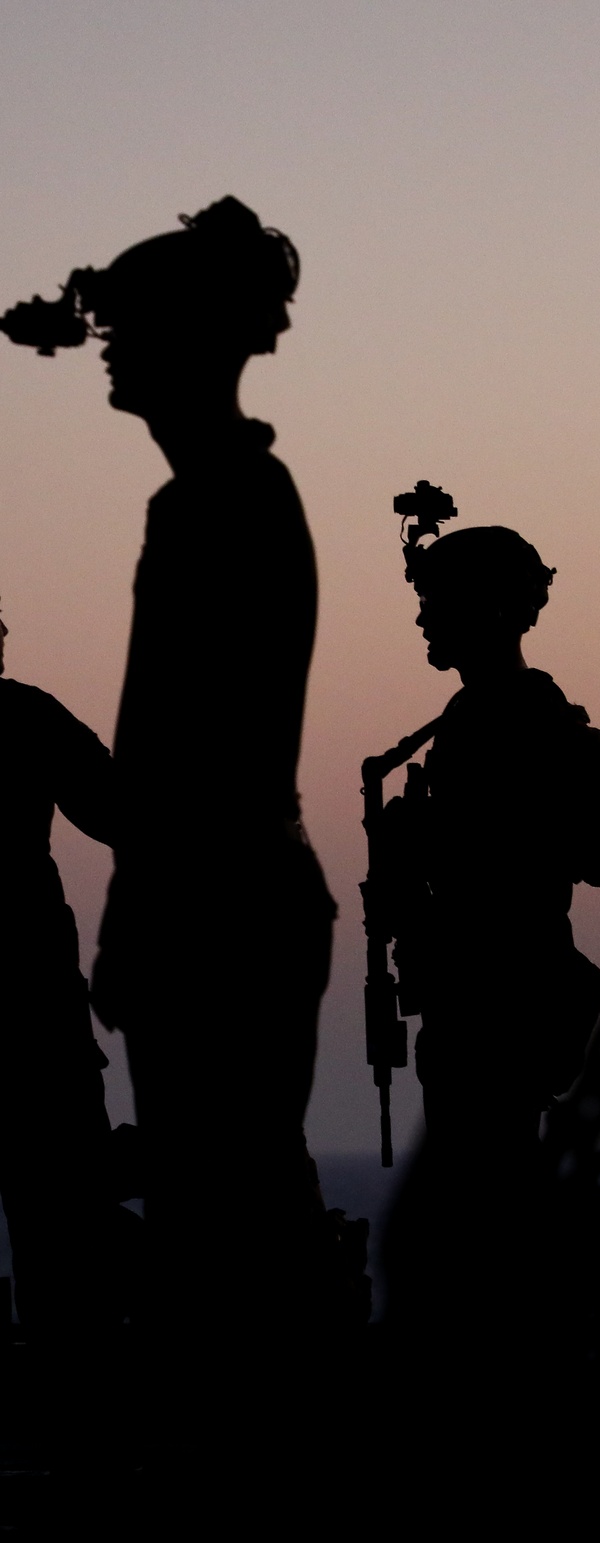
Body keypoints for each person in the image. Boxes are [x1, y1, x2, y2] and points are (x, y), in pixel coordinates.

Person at [85, 198, 336, 1338]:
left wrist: (138, 905)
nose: (111, 348)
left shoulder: (216, 505)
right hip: (233, 894)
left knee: (223, 1230)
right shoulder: (219, 495)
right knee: (234, 1212)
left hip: (216, 902)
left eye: (129, 328)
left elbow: (194, 748)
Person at [380, 525, 600, 1356]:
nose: (423, 620)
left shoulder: (522, 717)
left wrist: (433, 844)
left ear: (491, 608)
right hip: (468, 999)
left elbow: (579, 850)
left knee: (486, 1210)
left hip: (501, 1001)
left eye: (436, 602)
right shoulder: (470, 717)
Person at [0, 600, 138, 1330]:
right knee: (66, 1246)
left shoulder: (26, 717)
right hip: (35, 1020)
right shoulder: (23, 716)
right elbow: (126, 811)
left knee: (66, 1244)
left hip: (38, 1015)